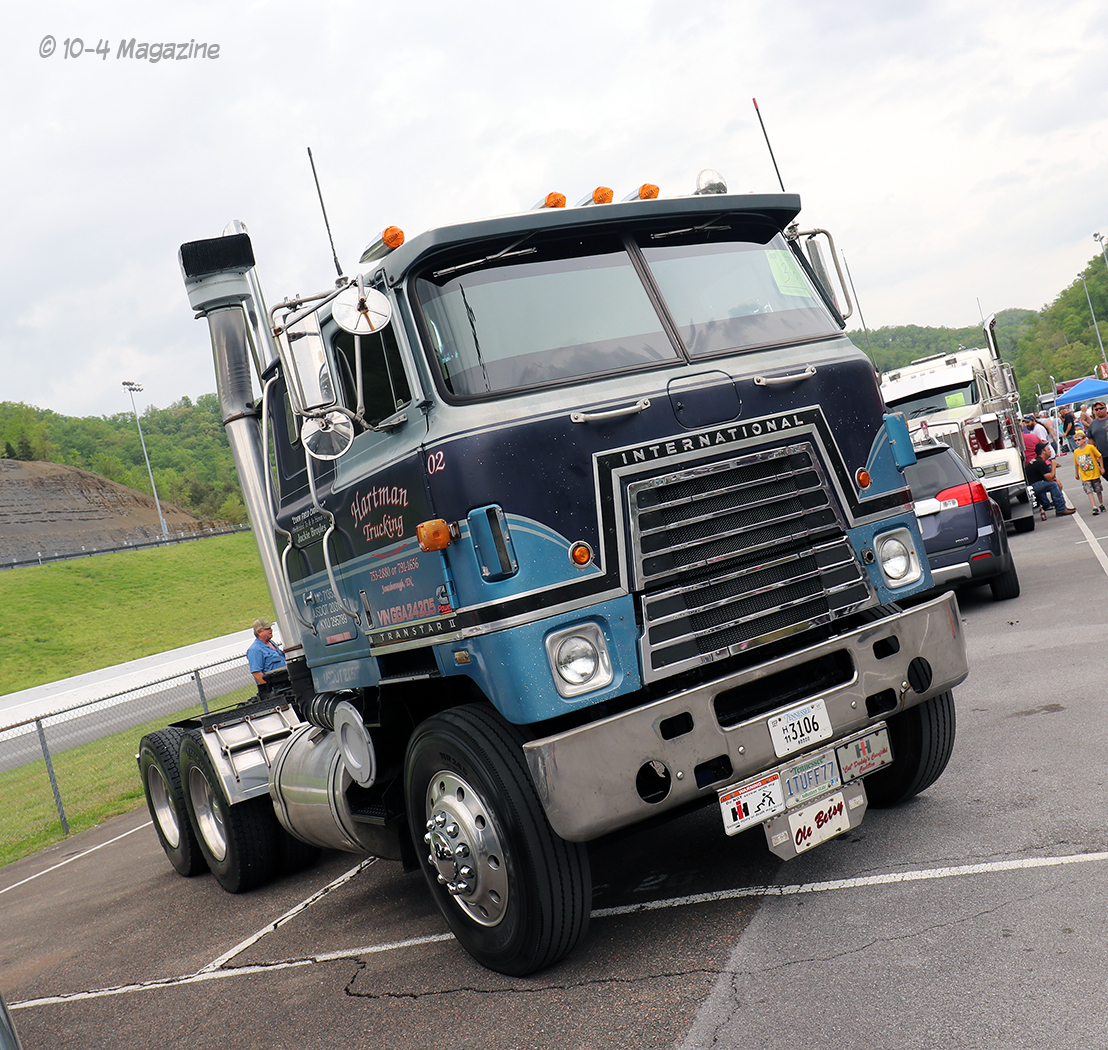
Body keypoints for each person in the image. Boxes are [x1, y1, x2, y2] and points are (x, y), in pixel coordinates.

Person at [1027, 442, 1075, 517]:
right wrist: (1054, 466)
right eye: (1048, 449)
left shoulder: (1038, 461)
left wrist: (1056, 479)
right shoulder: (1040, 462)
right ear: (1043, 451)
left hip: (1032, 485)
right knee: (1053, 485)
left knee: (1053, 483)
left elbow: (1048, 477)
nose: (1050, 451)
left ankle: (1057, 505)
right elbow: (1049, 478)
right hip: (1031, 487)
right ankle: (1061, 509)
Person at [1073, 429, 1106, 515]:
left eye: (1079, 440)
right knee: (1089, 490)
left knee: (1098, 489)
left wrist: (1101, 467)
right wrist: (1076, 473)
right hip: (1084, 475)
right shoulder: (1076, 452)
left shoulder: (1090, 448)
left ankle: (1101, 503)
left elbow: (1099, 456)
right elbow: (1076, 463)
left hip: (1094, 473)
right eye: (1075, 440)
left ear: (1084, 439)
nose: (1077, 442)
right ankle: (1094, 507)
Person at [247, 617, 286, 688]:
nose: (271, 630)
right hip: (274, 687)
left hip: (285, 683)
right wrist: (269, 688)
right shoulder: (255, 650)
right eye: (267, 629)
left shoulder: (271, 643)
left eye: (270, 628)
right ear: (259, 632)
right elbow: (256, 673)